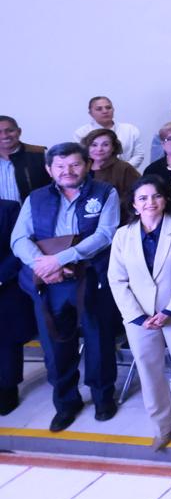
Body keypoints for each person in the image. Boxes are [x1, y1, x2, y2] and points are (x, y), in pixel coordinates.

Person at [11, 142, 120, 431]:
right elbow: (19, 239)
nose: (67, 171)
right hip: (49, 283)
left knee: (99, 341)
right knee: (54, 347)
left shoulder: (105, 192)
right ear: (49, 169)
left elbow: (105, 234)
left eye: (74, 164)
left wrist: (60, 259)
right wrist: (43, 265)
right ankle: (66, 403)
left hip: (91, 278)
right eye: (59, 166)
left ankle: (103, 397)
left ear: (87, 165)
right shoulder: (35, 198)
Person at [106, 176, 171, 451]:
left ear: (166, 199)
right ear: (134, 205)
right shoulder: (123, 235)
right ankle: (161, 427)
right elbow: (117, 279)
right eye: (143, 198)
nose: (150, 202)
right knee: (149, 373)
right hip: (140, 318)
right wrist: (137, 316)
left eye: (156, 196)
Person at [0, 197, 34, 414]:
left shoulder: (8, 208)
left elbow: (18, 248)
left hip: (5, 285)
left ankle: (7, 388)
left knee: (6, 342)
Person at [74, 96, 147, 170]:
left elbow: (139, 154)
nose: (105, 111)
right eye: (99, 109)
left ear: (113, 110)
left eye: (108, 107)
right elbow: (82, 158)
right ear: (90, 113)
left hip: (127, 172)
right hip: (95, 173)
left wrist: (123, 169)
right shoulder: (82, 133)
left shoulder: (130, 129)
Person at [83, 128, 141, 221]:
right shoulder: (82, 167)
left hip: (117, 219)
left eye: (105, 145)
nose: (99, 149)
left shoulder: (124, 168)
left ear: (113, 147)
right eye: (94, 145)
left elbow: (138, 195)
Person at [0, 117, 47, 204]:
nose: (4, 136)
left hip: (37, 211)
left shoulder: (41, 155)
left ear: (19, 131)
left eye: (10, 131)